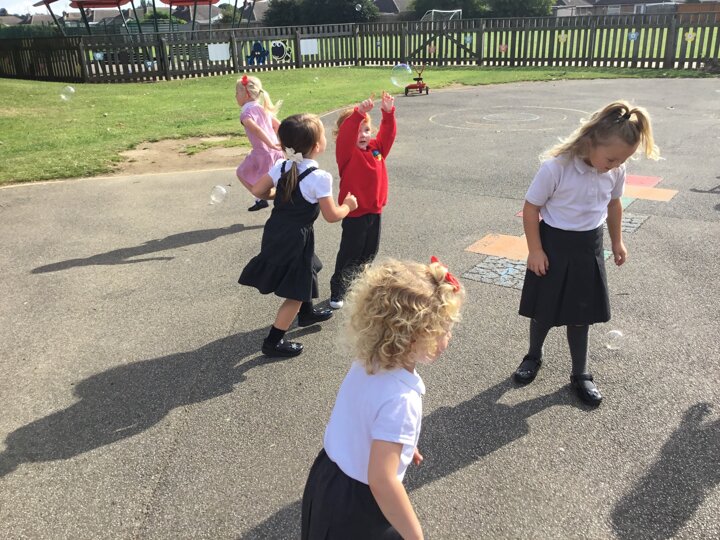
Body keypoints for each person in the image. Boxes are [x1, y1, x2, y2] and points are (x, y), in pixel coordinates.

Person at [302, 257, 465, 540]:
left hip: (328, 477)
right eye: (443, 329)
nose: (448, 337)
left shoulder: (367, 362)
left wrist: (397, 442)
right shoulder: (402, 399)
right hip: (358, 507)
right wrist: (416, 536)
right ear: (413, 336)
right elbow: (382, 481)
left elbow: (361, 416)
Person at [514, 100, 660, 406]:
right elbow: (531, 208)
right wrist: (535, 250)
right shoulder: (557, 167)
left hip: (588, 246)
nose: (615, 165)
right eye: (611, 158)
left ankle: (580, 373)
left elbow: (614, 204)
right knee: (544, 309)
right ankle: (533, 355)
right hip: (553, 245)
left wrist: (617, 242)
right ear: (591, 141)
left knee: (581, 315)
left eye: (623, 160)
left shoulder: (615, 170)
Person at [239, 113, 358, 358]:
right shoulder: (319, 177)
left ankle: (306, 313)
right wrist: (348, 206)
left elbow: (259, 190)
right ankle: (273, 342)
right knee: (296, 292)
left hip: (277, 232)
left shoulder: (282, 166)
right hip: (295, 239)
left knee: (309, 268)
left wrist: (280, 194)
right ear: (317, 145)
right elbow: (331, 215)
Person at [328, 91, 397, 310]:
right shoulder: (347, 153)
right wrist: (358, 114)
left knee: (369, 252)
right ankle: (339, 287)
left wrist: (388, 113)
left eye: (366, 129)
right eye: (358, 131)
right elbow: (347, 135)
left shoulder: (376, 149)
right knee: (350, 252)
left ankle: (358, 284)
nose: (363, 135)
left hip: (374, 211)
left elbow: (388, 135)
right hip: (354, 213)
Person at [235, 74, 284, 212]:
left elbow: (256, 129)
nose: (235, 96)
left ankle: (263, 197)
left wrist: (269, 144)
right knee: (275, 179)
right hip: (276, 152)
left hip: (263, 153)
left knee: (241, 172)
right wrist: (280, 142)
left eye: (237, 93)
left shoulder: (246, 114)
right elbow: (278, 125)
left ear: (246, 95)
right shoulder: (263, 109)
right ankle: (277, 198)